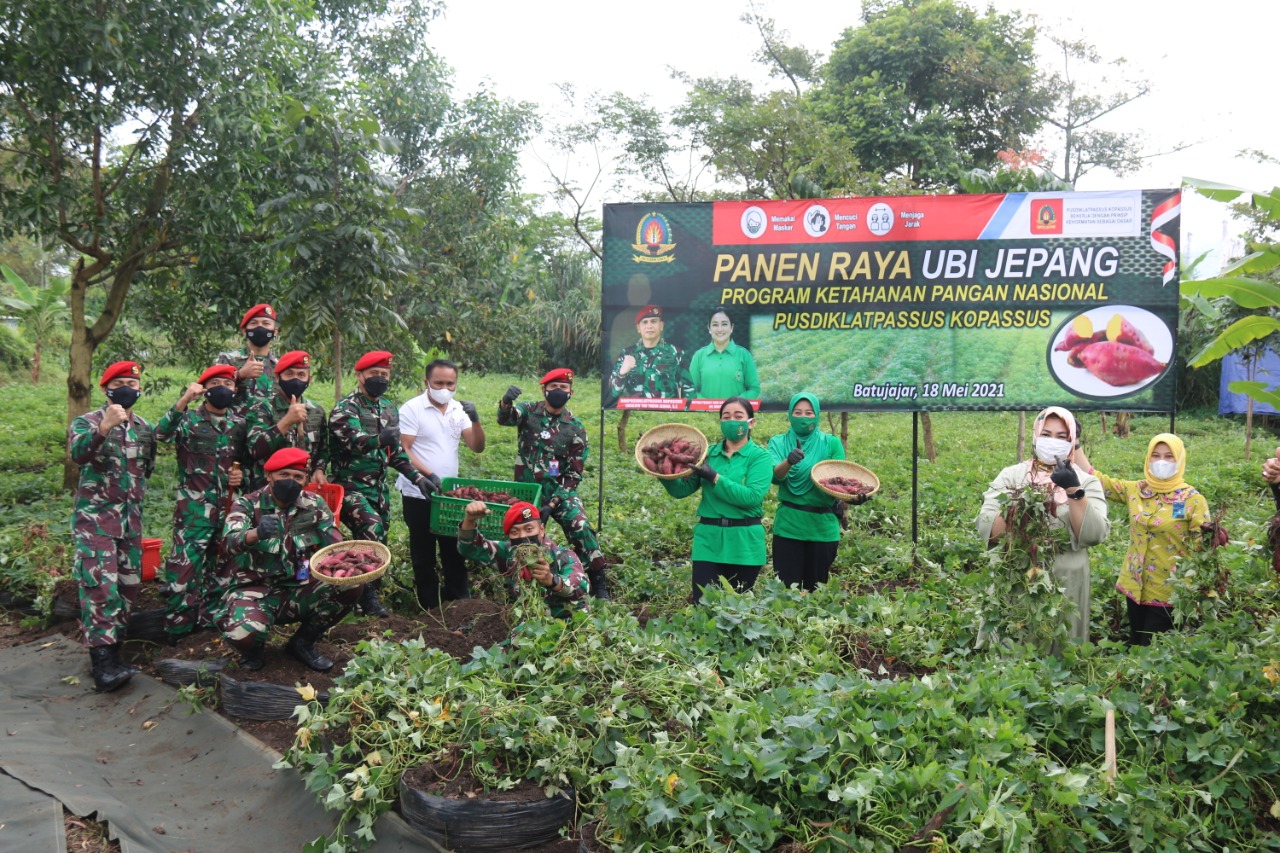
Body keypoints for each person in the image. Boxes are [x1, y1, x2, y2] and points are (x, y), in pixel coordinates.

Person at [976, 406, 1110, 644]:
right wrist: (1016, 505)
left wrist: (1074, 491)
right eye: (1046, 434)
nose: (1052, 442)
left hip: (1065, 581)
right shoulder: (1012, 476)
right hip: (1015, 576)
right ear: (1036, 435)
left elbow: (1093, 534)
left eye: (1062, 437)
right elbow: (988, 529)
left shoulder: (1086, 481)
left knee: (1058, 648)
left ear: (1072, 442)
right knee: (1012, 645)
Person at [1075, 434, 1223, 646]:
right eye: (1155, 455)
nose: (1161, 461)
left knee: (1154, 652)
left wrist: (1200, 588)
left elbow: (1203, 550)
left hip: (1170, 592)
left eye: (1168, 456)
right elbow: (1096, 478)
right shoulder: (1136, 490)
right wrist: (1076, 442)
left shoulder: (1193, 500)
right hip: (1135, 585)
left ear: (1179, 460)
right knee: (1137, 645)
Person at [219, 448, 357, 672]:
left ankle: (302, 643)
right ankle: (253, 650)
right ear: (269, 475)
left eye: (298, 477)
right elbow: (228, 543)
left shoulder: (314, 505)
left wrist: (354, 564)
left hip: (299, 587)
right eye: (284, 475)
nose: (291, 482)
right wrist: (256, 533)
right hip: (255, 591)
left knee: (352, 583)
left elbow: (334, 548)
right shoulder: (246, 504)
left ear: (305, 480)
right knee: (243, 633)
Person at [67, 361, 157, 692]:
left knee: (128, 586)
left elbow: (146, 469)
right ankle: (102, 663)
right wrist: (103, 428)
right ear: (106, 389)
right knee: (100, 588)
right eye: (119, 383)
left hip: (130, 522)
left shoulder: (144, 427)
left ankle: (115, 652)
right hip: (96, 522)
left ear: (139, 389)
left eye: (133, 383)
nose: (127, 388)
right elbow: (78, 455)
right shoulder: (86, 421)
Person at [329, 350, 439, 617]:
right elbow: (353, 441)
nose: (379, 379)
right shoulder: (346, 408)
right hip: (350, 488)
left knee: (379, 542)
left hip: (378, 488)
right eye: (374, 374)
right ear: (360, 375)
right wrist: (379, 439)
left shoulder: (388, 408)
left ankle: (361, 593)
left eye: (384, 375)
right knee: (371, 528)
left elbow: (396, 453)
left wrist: (418, 478)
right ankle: (366, 600)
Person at [153, 364, 249, 642]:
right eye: (217, 383)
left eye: (229, 384)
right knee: (184, 569)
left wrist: (239, 477)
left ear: (235, 389)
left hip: (227, 507)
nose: (224, 388)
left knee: (222, 567)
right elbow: (160, 434)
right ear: (205, 389)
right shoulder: (189, 420)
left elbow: (247, 461)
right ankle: (178, 627)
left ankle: (210, 622)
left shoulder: (238, 424)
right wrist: (183, 400)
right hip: (194, 509)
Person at [497, 369, 610, 599]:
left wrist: (554, 502)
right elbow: (506, 418)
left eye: (563, 388)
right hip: (527, 490)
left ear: (571, 393)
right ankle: (515, 582)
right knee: (517, 534)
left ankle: (597, 580)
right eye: (553, 387)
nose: (558, 392)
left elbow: (575, 473)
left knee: (581, 526)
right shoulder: (528, 412)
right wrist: (506, 402)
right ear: (544, 390)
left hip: (558, 492)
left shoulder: (575, 427)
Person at [660, 397, 773, 604]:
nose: (732, 421)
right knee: (703, 606)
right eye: (726, 417)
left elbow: (752, 497)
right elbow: (682, 490)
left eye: (738, 416)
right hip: (708, 540)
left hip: (744, 542)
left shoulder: (760, 457)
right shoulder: (708, 454)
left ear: (751, 422)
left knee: (736, 610)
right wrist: (663, 473)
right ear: (720, 421)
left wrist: (714, 477)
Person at [397, 358, 486, 609]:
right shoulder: (412, 409)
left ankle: (460, 602)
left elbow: (476, 447)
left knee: (454, 548)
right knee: (423, 550)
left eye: (450, 383)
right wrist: (427, 475)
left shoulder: (459, 410)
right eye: (439, 383)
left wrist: (476, 420)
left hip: (449, 494)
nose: (444, 388)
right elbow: (403, 449)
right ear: (427, 382)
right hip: (418, 491)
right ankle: (430, 605)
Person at [767, 393, 853, 591]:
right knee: (786, 591)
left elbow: (839, 480)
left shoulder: (830, 443)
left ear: (817, 416)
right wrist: (788, 461)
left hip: (823, 528)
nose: (803, 417)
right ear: (789, 414)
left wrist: (854, 497)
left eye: (809, 412)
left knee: (816, 590)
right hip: (789, 526)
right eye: (797, 412)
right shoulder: (778, 442)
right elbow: (775, 477)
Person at [456, 501, 588, 618]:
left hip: (568, 623)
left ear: (541, 530)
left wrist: (552, 580)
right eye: (515, 532)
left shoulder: (562, 555)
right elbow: (471, 549)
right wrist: (469, 520)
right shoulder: (509, 553)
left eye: (529, 529)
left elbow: (581, 585)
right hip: (530, 625)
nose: (523, 537)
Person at [244, 350, 328, 492]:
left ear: (309, 379)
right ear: (277, 377)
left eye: (301, 375)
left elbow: (323, 450)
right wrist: (286, 422)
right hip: (267, 491)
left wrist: (319, 469)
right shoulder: (261, 409)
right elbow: (255, 449)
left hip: (305, 493)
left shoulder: (316, 411)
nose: (295, 380)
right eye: (289, 374)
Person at [605, 304, 692, 406]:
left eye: (653, 321)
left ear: (661, 326)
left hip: (668, 412)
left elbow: (689, 388)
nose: (649, 326)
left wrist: (683, 411)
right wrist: (622, 373)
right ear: (639, 328)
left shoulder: (677, 353)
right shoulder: (627, 354)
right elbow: (614, 392)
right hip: (636, 413)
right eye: (645, 322)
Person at [214, 303, 281, 414]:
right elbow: (214, 393)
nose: (260, 327)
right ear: (244, 330)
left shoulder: (280, 367)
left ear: (275, 331)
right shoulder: (227, 359)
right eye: (254, 323)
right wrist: (240, 375)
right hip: (233, 427)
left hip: (268, 429)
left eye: (266, 323)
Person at [688, 307, 761, 400]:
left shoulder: (744, 355)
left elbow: (754, 389)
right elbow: (690, 390)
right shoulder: (699, 356)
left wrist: (735, 404)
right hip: (704, 414)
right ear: (709, 328)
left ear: (732, 327)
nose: (720, 329)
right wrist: (707, 405)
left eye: (724, 324)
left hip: (735, 413)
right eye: (715, 325)